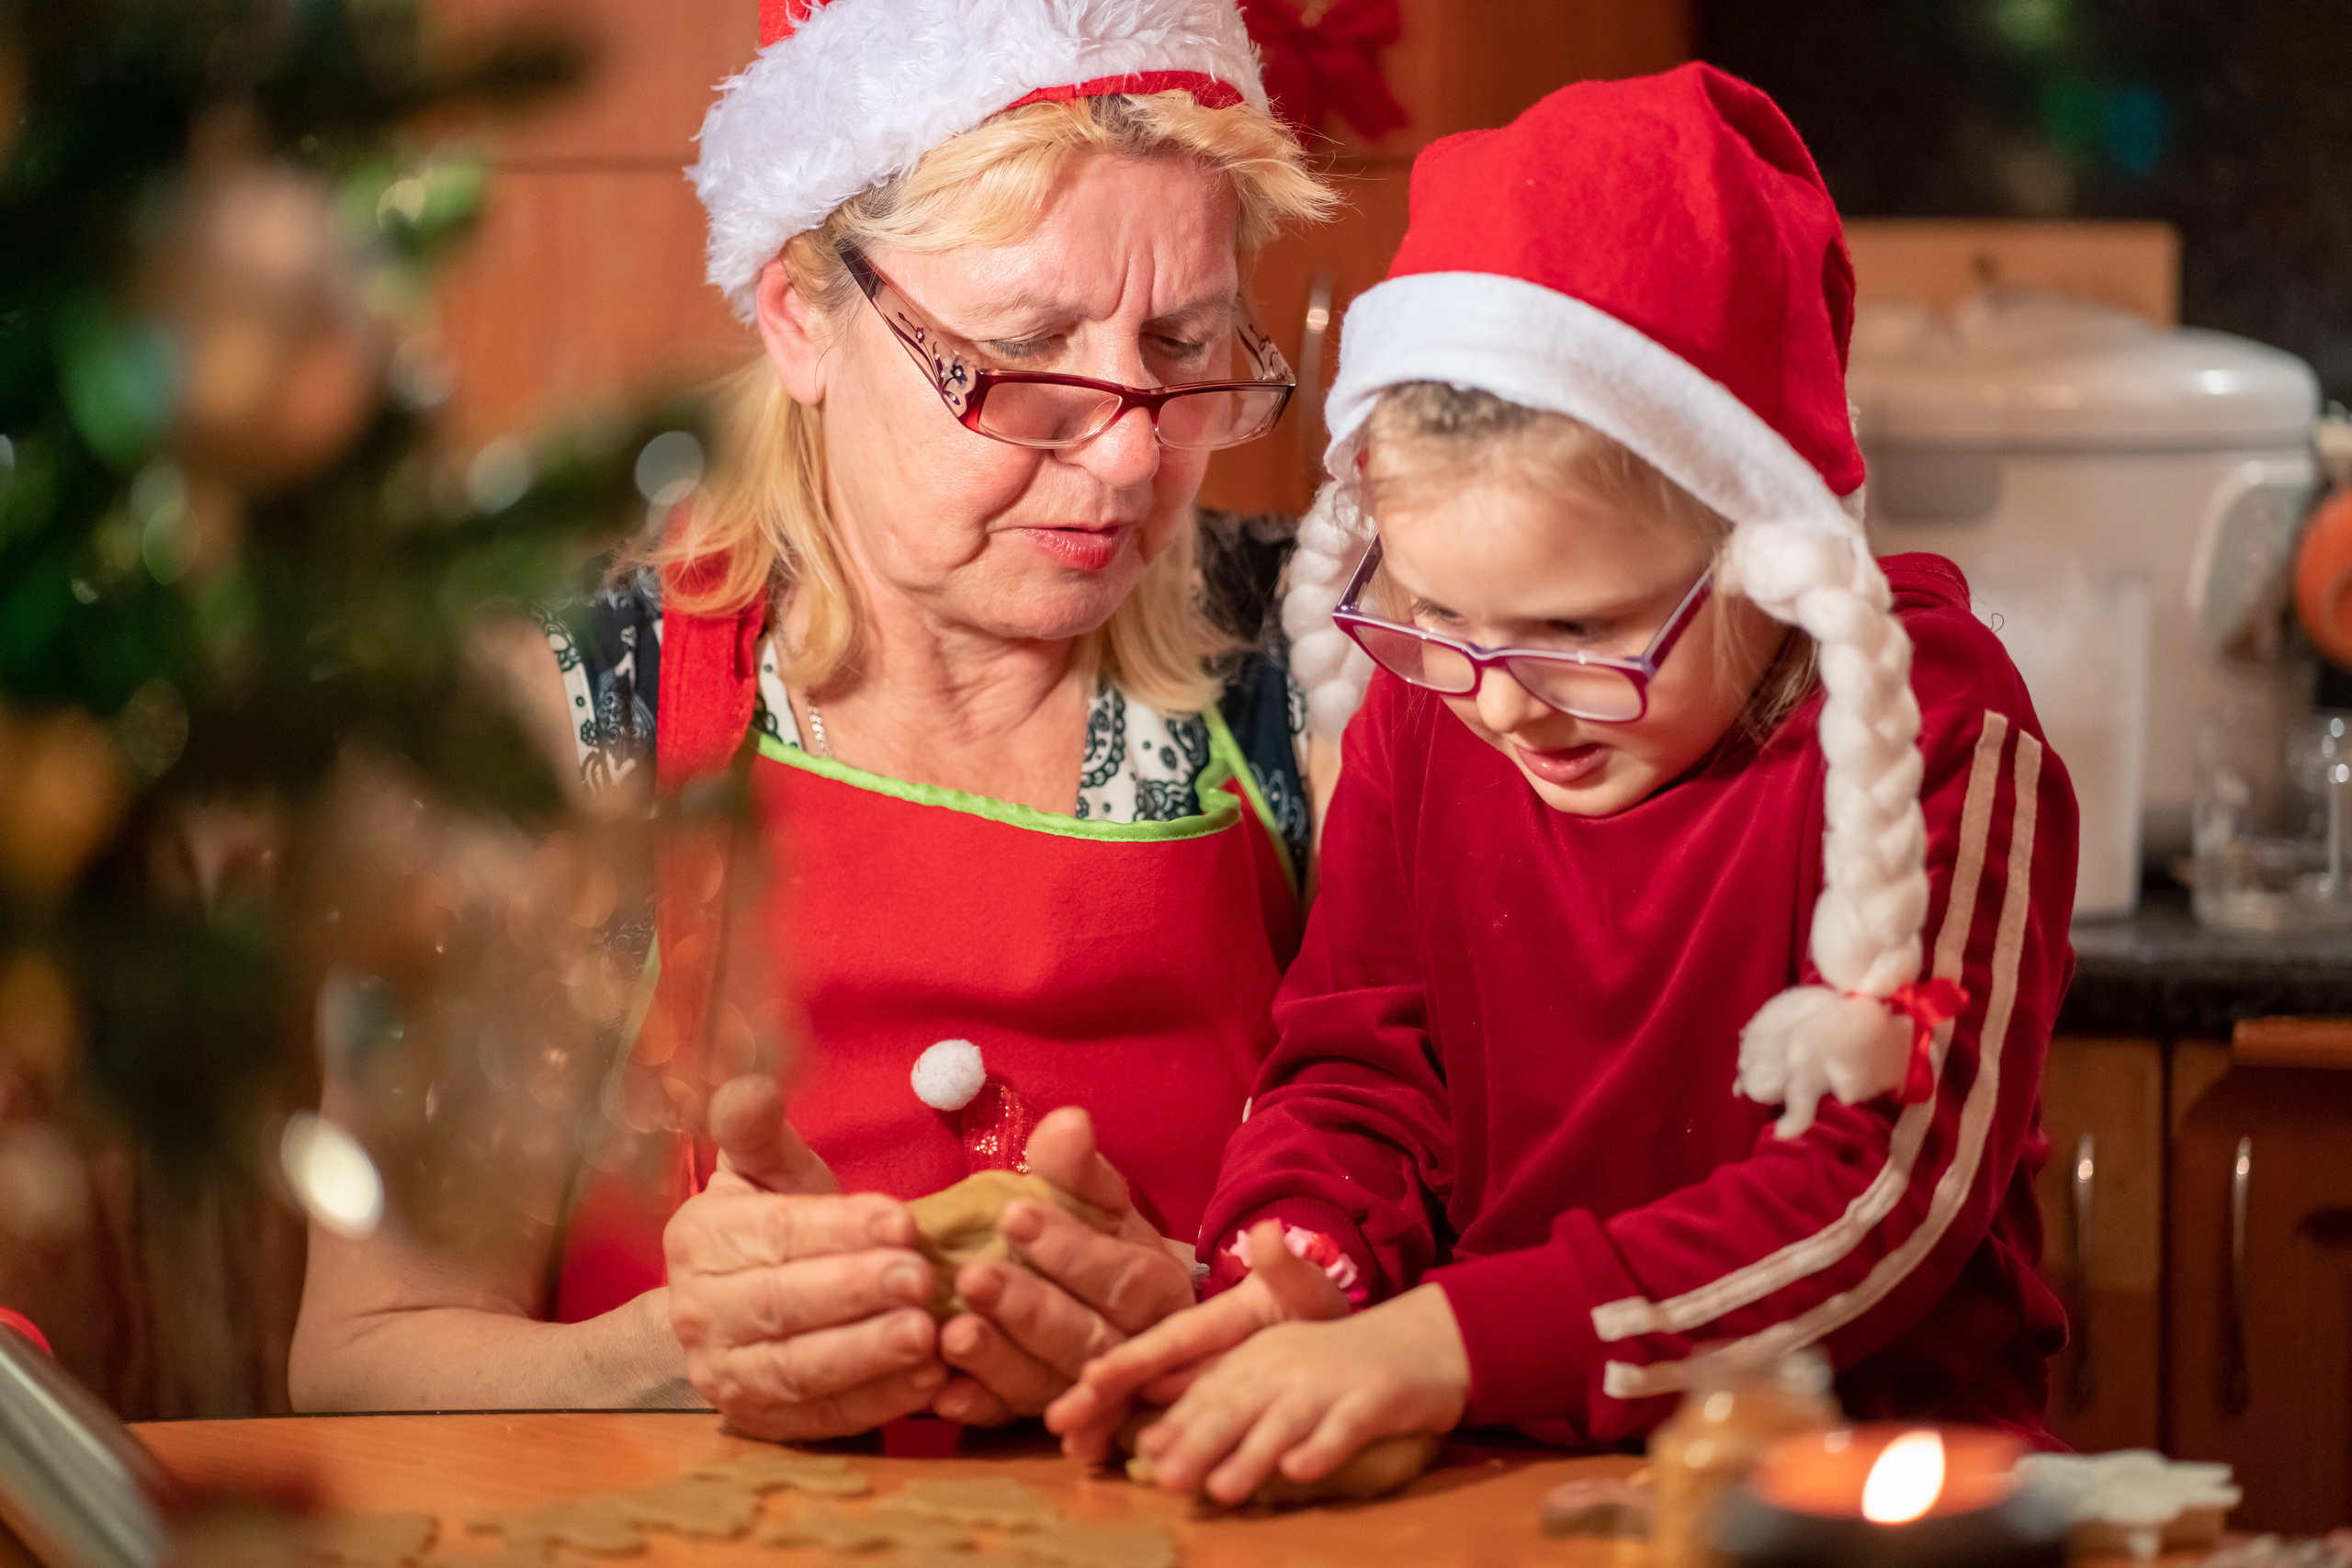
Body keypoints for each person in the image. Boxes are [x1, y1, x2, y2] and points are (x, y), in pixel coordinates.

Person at [288, 0, 1333, 1436]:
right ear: (801, 317)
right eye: (1025, 354)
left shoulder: (1323, 663)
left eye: (1184, 344)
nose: (1127, 457)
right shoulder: (556, 711)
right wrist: (662, 1366)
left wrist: (1225, 1319)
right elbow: (366, 1354)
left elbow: (1487, 1248)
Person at [1048, 62, 2078, 1500]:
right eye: (1437, 616)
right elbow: (1364, 1072)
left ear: (1763, 549)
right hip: (1499, 1479)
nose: (1501, 700)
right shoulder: (1436, 704)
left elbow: (1882, 1195)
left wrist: (1451, 1344)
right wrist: (1293, 1270)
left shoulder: (1937, 729)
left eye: (1581, 632)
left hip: (1861, 1499)